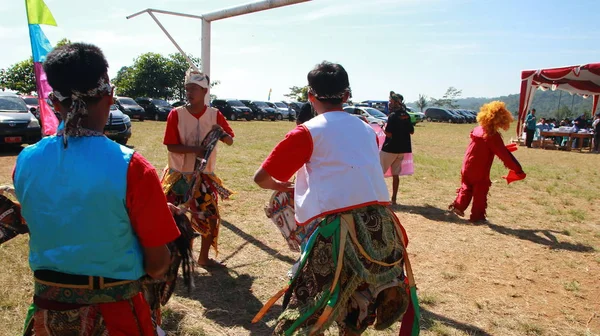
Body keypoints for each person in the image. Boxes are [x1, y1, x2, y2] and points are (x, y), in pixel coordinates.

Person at [12, 43, 181, 335]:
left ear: (55, 102)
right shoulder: (132, 167)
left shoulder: (25, 161)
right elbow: (157, 265)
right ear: (110, 96)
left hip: (47, 314)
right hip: (116, 318)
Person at [253, 61, 413, 335]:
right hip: (380, 226)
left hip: (337, 229)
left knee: (308, 304)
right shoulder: (366, 128)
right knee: (358, 297)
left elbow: (261, 178)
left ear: (310, 96)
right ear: (346, 96)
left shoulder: (306, 132)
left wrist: (285, 186)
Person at [162, 69, 235, 268]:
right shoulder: (175, 114)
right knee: (176, 218)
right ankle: (178, 256)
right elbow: (171, 145)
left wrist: (219, 132)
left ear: (204, 91)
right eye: (187, 89)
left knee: (210, 216)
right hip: (179, 176)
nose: (189, 92)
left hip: (204, 177)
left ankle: (203, 257)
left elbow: (229, 140)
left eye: (193, 88)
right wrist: (197, 150)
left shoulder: (215, 115)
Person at [449, 101, 526, 223]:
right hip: (479, 169)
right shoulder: (492, 135)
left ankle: (458, 207)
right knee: (481, 189)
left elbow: (486, 147)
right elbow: (504, 155)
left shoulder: (478, 129)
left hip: (467, 166)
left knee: (467, 186)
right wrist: (518, 169)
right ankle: (477, 216)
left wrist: (502, 148)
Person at [380, 91, 414, 204]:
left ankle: (379, 197)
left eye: (391, 101)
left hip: (390, 148)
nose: (389, 103)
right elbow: (411, 131)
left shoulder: (393, 116)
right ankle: (394, 199)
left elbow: (389, 134)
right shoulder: (406, 115)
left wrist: (382, 128)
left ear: (395, 102)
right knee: (396, 175)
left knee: (378, 174)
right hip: (402, 149)